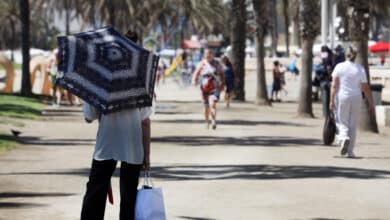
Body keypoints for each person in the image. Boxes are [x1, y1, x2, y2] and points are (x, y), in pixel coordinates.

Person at [80, 30, 152, 220]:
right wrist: (147, 156)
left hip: (106, 144)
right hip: (133, 146)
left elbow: (89, 116)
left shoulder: (99, 77)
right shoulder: (141, 80)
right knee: (129, 196)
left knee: (96, 190)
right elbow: (145, 122)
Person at [329, 45, 375, 158]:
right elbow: (365, 87)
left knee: (341, 120)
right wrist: (371, 103)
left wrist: (331, 100)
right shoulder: (360, 68)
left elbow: (334, 85)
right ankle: (350, 152)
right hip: (356, 97)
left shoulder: (339, 67)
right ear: (355, 56)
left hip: (342, 96)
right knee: (353, 123)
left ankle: (344, 138)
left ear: (346, 54)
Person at [192, 49, 225, 129]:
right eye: (207, 54)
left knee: (212, 104)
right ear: (204, 55)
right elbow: (196, 73)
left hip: (214, 87)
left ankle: (213, 120)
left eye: (210, 53)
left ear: (212, 54)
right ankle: (207, 122)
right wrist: (194, 81)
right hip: (204, 88)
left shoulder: (217, 63)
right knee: (206, 107)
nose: (208, 55)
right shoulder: (202, 63)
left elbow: (222, 74)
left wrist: (222, 84)